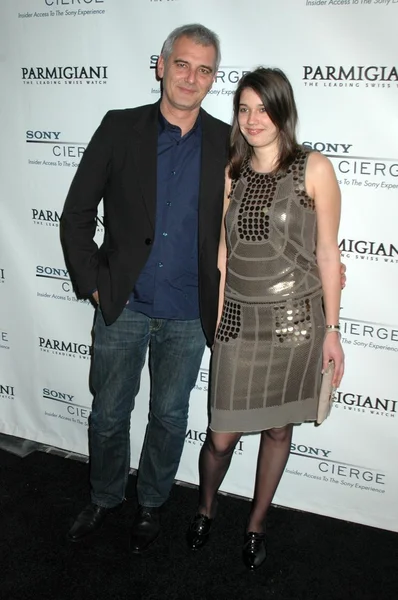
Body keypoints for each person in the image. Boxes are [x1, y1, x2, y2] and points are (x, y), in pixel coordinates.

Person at [60, 23, 230, 552]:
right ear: (160, 66)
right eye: (182, 64)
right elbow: (76, 214)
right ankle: (106, 496)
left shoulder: (229, 141)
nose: (191, 77)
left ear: (213, 80)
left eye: (204, 70)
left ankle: (152, 503)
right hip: (123, 304)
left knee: (169, 416)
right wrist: (94, 286)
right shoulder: (119, 127)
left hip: (187, 311)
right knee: (109, 412)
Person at [186, 67, 345, 570]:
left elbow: (325, 253)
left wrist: (334, 331)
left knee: (278, 432)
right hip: (237, 322)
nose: (253, 119)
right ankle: (206, 509)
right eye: (244, 108)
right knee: (220, 437)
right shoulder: (232, 171)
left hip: (296, 324)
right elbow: (222, 256)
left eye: (263, 107)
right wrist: (217, 328)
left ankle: (256, 524)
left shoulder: (313, 167)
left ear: (283, 111)